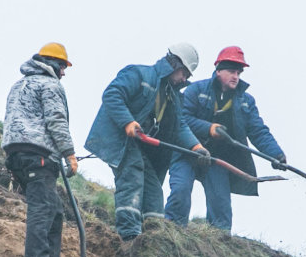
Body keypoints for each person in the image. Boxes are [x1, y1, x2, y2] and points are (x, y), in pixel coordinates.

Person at [85, 43, 211, 242]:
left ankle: (153, 239)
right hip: (121, 141)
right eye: (184, 72)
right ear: (173, 63)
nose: (185, 79)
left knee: (153, 189)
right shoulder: (139, 75)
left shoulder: (172, 96)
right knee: (132, 177)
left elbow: (179, 126)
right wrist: (127, 121)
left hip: (140, 147)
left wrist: (197, 147)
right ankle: (129, 236)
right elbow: (112, 94)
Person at [164, 46, 285, 232]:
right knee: (180, 191)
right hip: (186, 152)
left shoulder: (246, 101)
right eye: (231, 71)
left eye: (238, 72)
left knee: (221, 207)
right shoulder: (195, 90)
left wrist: (275, 154)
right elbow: (182, 120)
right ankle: (171, 233)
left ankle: (219, 244)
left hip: (217, 159)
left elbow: (258, 131)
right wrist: (209, 128)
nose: (236, 76)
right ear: (218, 70)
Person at [1, 42, 79, 257]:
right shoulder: (50, 85)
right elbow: (56, 121)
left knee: (54, 208)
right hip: (39, 153)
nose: (63, 72)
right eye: (62, 66)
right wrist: (69, 154)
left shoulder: (19, 85)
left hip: (15, 154)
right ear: (52, 64)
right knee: (42, 207)